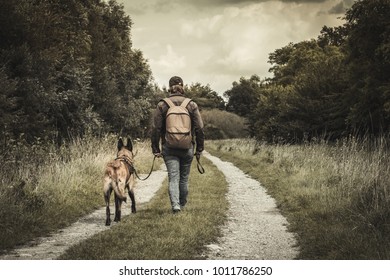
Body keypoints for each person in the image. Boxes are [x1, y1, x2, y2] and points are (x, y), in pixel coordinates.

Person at [151, 76, 205, 214]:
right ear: (183, 87)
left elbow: (156, 128)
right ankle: (182, 203)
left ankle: (175, 206)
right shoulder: (191, 104)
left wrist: (155, 149)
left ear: (170, 87)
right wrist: (199, 149)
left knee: (173, 177)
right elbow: (199, 128)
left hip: (169, 147)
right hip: (187, 147)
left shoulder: (162, 104)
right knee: (184, 178)